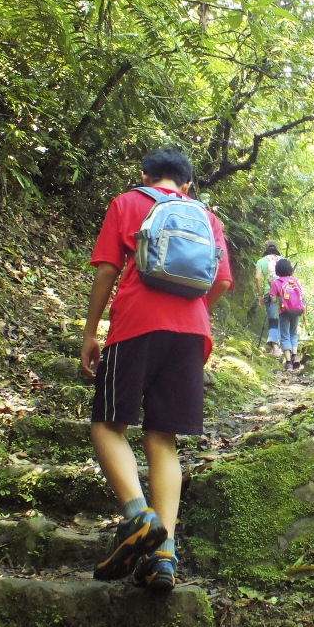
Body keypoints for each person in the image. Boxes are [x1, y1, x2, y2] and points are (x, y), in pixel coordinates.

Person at [80, 147, 232, 593]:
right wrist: (193, 315)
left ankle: (139, 517)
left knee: (108, 426)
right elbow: (221, 281)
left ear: (145, 175)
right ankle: (163, 557)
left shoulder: (127, 202)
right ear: (187, 185)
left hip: (135, 326)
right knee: (162, 439)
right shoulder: (207, 216)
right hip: (191, 333)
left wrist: (91, 333)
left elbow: (107, 270)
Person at [269, 258, 305, 372]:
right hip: (297, 310)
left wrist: (272, 287)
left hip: (284, 311)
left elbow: (274, 300)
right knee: (293, 333)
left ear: (277, 270)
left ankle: (288, 363)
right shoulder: (295, 281)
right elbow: (302, 298)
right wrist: (304, 314)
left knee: (285, 335)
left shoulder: (277, 282)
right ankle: (295, 356)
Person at [255, 240, 282, 358]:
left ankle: (275, 349)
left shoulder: (261, 261)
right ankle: (284, 348)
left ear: (265, 248)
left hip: (269, 292)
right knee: (281, 318)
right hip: (283, 293)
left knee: (273, 319)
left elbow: (257, 278)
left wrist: (260, 295)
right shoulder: (283, 260)